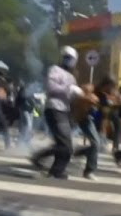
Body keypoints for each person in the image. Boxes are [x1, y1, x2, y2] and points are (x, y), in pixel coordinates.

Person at [31, 46, 96, 180]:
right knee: (65, 145)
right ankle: (43, 160)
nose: (68, 61)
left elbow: (73, 96)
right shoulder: (55, 70)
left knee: (65, 145)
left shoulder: (72, 77)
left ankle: (56, 170)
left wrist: (84, 96)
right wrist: (70, 89)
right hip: (54, 108)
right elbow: (51, 87)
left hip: (65, 111)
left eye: (70, 58)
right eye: (66, 57)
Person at [72, 83, 101, 180]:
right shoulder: (81, 97)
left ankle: (78, 153)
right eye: (87, 90)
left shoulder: (91, 97)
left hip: (86, 120)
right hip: (82, 120)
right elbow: (90, 100)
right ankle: (89, 171)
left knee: (96, 144)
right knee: (96, 143)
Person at [15, 81, 35, 145]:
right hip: (24, 109)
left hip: (30, 110)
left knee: (28, 126)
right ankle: (22, 141)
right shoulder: (22, 91)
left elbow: (33, 102)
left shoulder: (31, 92)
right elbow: (19, 100)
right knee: (27, 125)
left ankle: (26, 141)